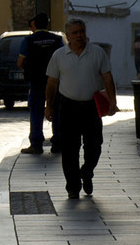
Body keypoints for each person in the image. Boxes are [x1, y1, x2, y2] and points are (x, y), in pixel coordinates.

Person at [44, 19, 117, 199]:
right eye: (75, 33)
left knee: (94, 146)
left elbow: (107, 78)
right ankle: (73, 187)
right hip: (68, 106)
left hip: (91, 106)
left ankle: (87, 172)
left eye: (82, 32)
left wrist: (112, 102)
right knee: (69, 149)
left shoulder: (97, 53)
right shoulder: (59, 56)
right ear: (67, 36)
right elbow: (52, 83)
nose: (79, 36)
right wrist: (49, 106)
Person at [17, 13, 63, 154]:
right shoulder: (57, 40)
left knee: (36, 112)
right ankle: (58, 143)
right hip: (54, 81)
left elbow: (20, 62)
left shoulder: (28, 40)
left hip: (36, 82)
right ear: (47, 25)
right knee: (56, 110)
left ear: (35, 25)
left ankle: (36, 144)